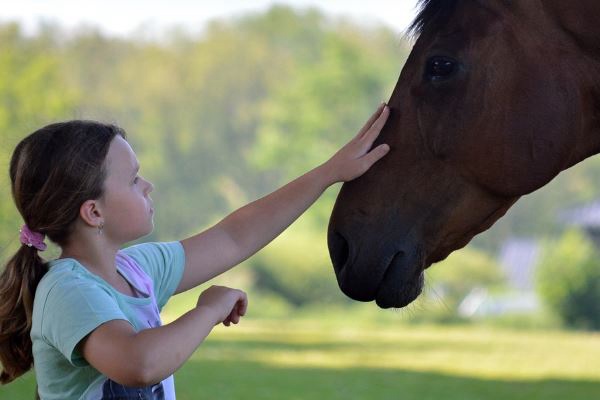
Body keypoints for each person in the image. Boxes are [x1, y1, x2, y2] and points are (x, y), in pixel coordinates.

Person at [0, 103, 390, 399]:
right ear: (94, 211)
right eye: (134, 180)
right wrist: (207, 311)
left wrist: (328, 173)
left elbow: (234, 236)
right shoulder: (67, 291)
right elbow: (139, 364)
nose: (148, 185)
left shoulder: (137, 270)